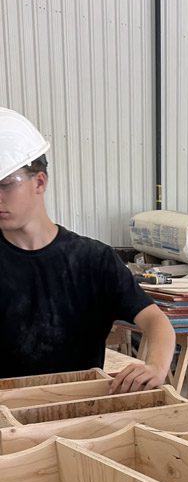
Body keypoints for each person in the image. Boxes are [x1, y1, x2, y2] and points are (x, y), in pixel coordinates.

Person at [0, 107, 175, 391]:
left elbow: (155, 321)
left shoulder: (93, 261)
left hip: (82, 408)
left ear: (40, 182)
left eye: (6, 184)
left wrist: (155, 366)